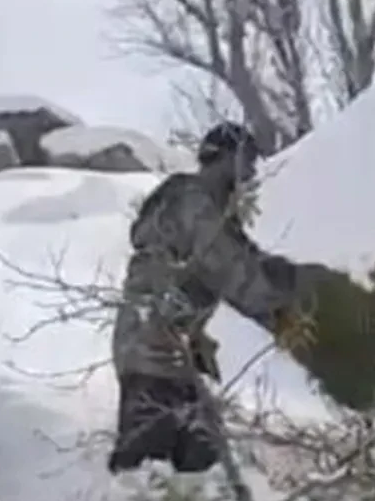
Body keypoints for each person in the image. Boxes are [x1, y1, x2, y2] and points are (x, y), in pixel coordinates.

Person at [109, 123, 298, 476]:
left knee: (199, 461)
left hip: (170, 351)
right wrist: (283, 315)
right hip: (154, 350)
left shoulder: (202, 207)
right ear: (227, 158)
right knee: (146, 471)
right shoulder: (194, 203)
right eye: (248, 161)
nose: (252, 173)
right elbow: (231, 268)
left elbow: (243, 259)